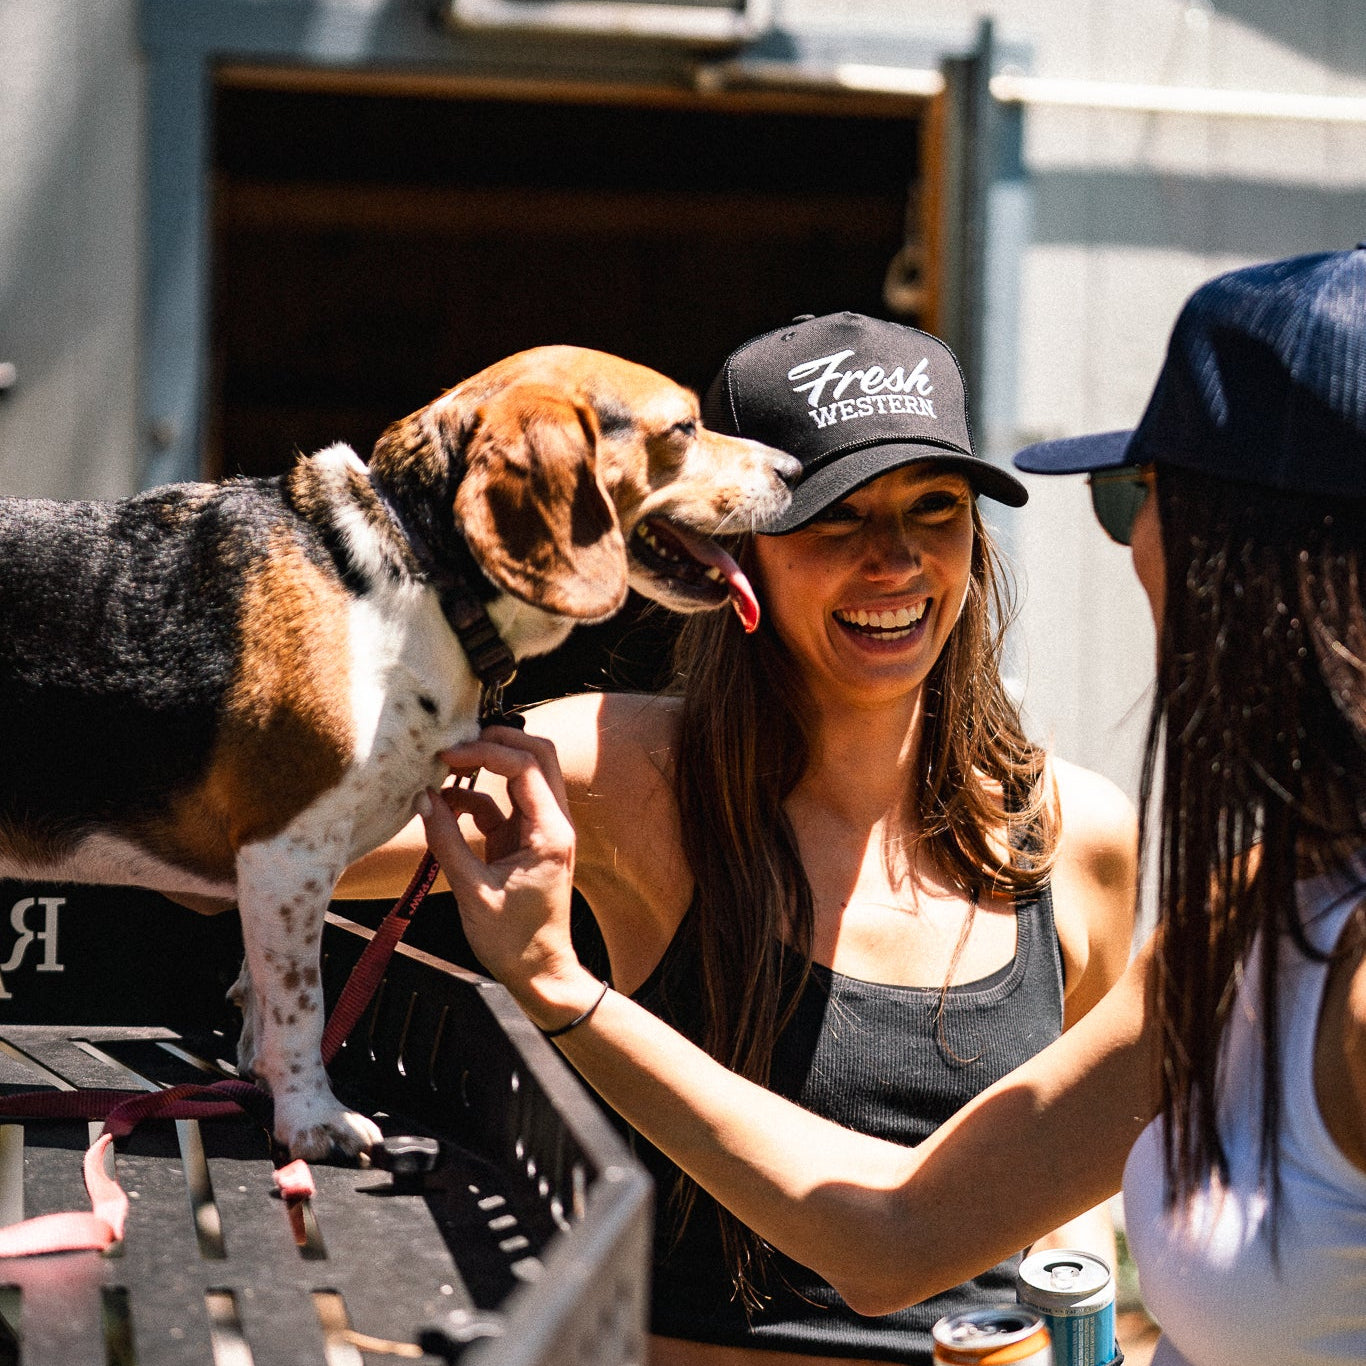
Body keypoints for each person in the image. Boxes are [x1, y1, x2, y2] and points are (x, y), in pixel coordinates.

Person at [419, 250, 1366, 1365]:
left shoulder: (1137, 858)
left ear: (1251, 563)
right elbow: (897, 1235)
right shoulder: (1250, 915)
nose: (897, 558)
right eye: (836, 516)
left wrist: (559, 991)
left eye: (1132, 497)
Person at [350, 311, 1137, 1365]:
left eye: (933, 508)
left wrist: (1080, 1333)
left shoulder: (1077, 836)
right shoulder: (614, 772)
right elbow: (246, 849)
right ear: (737, 546)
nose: (894, 559)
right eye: (834, 519)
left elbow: (1075, 1182)